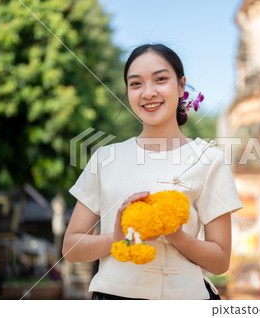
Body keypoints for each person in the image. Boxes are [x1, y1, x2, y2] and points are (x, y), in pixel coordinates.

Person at [62, 44, 243, 300]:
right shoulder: (105, 158)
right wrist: (116, 238)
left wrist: (173, 234)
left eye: (160, 79)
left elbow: (220, 261)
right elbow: (71, 249)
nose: (148, 92)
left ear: (181, 87)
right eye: (136, 84)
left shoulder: (210, 159)